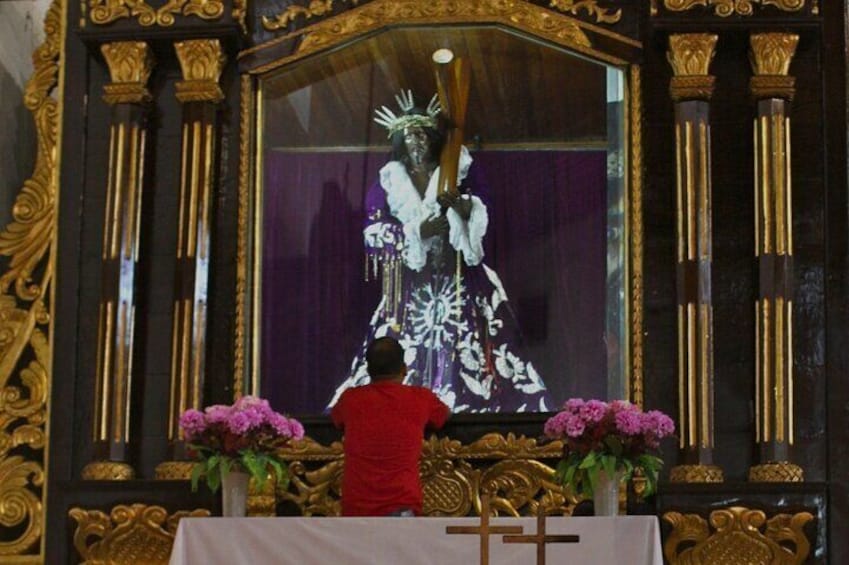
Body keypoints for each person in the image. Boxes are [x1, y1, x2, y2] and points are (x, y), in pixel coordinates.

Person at [329, 90, 550, 413]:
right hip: (410, 288)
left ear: (433, 138)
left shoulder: (459, 170)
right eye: (408, 136)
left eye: (421, 134)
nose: (416, 142)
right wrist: (419, 232)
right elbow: (373, 232)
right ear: (399, 141)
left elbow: (484, 202)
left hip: (462, 277)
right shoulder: (388, 182)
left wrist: (462, 207)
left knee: (475, 348)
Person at [331, 336, 450, 516]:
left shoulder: (350, 399)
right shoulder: (421, 398)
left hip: (356, 508)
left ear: (368, 370)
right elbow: (444, 415)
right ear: (404, 368)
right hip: (402, 507)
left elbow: (336, 419)